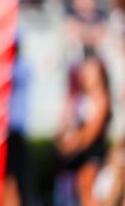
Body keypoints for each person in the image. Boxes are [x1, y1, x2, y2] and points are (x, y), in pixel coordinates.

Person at [54, 53, 111, 206]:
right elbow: (64, 126)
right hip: (78, 156)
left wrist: (71, 145)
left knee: (88, 194)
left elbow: (90, 134)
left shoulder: (102, 99)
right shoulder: (80, 97)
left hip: (92, 156)